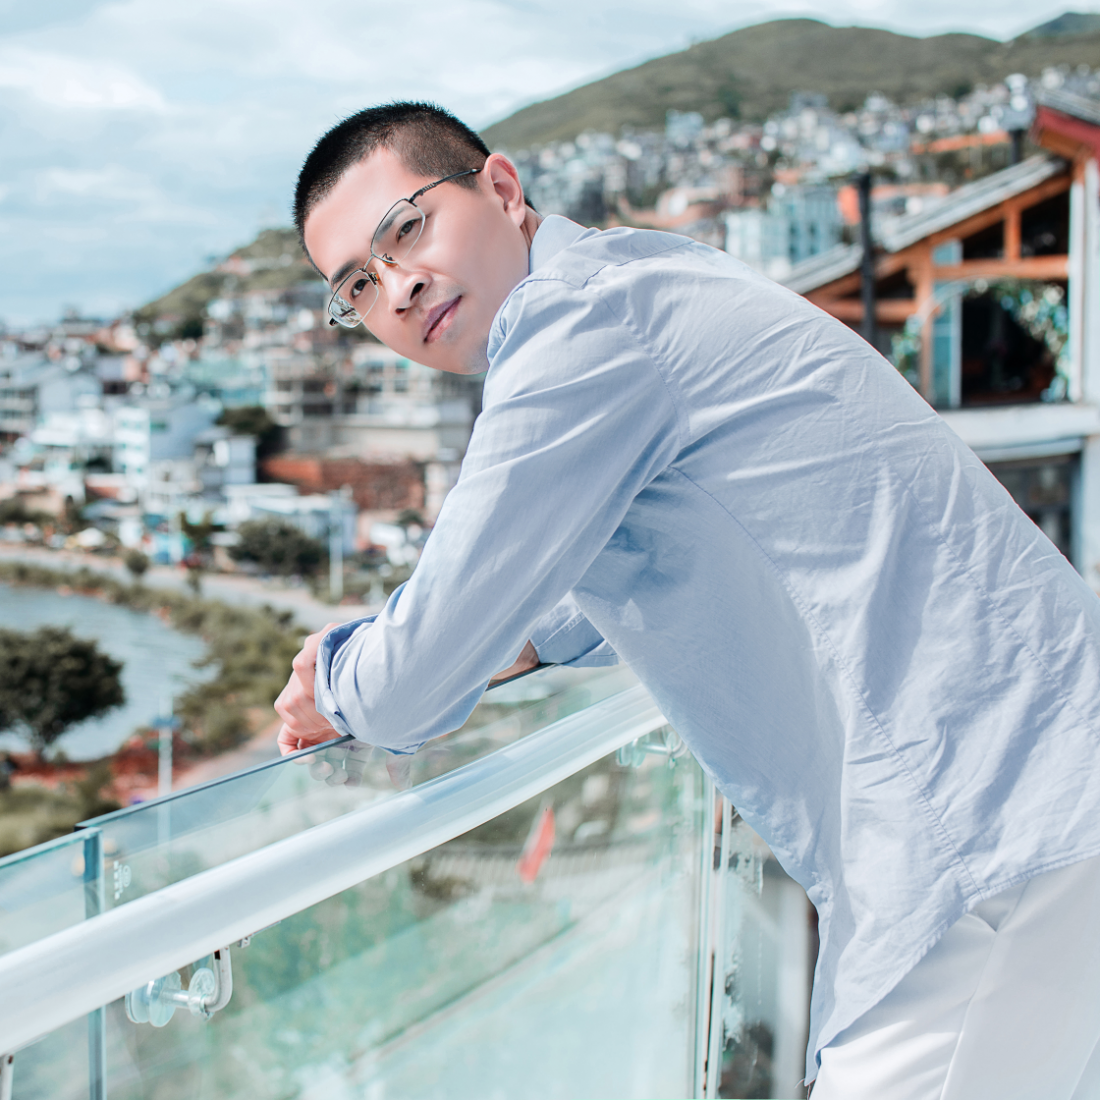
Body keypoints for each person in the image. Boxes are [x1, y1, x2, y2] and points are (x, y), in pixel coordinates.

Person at [274, 102, 1100, 1098]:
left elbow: (408, 687)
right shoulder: (641, 274)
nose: (398, 286)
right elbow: (697, 529)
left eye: (407, 228)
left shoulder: (575, 327)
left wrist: (333, 677)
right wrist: (521, 641)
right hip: (1037, 789)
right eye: (358, 285)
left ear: (500, 187)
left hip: (985, 829)